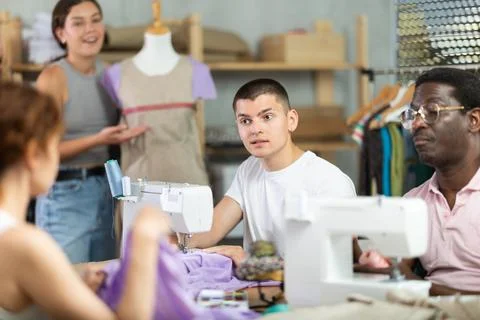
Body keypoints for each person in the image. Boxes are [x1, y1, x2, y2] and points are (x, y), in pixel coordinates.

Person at [0, 81, 169, 320]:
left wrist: (73, 284)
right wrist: (144, 238)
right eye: (54, 145)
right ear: (34, 155)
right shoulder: (24, 243)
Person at [186, 78, 358, 264]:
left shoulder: (329, 181)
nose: (255, 129)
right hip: (258, 285)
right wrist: (159, 239)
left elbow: (336, 261)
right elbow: (211, 230)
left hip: (306, 291)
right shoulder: (249, 169)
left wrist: (251, 261)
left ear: (291, 120)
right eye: (245, 121)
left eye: (267, 117)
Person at [35, 0, 148, 263]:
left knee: (102, 279)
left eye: (95, 19)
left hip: (107, 189)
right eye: (78, 22)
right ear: (61, 33)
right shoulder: (53, 78)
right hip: (65, 193)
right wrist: (98, 139)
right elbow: (42, 152)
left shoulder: (111, 73)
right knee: (66, 287)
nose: (91, 29)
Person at [394, 67, 480, 296]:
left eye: (432, 111)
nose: (417, 124)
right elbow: (395, 270)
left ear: (473, 120)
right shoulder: (412, 202)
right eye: (413, 115)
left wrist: (423, 287)